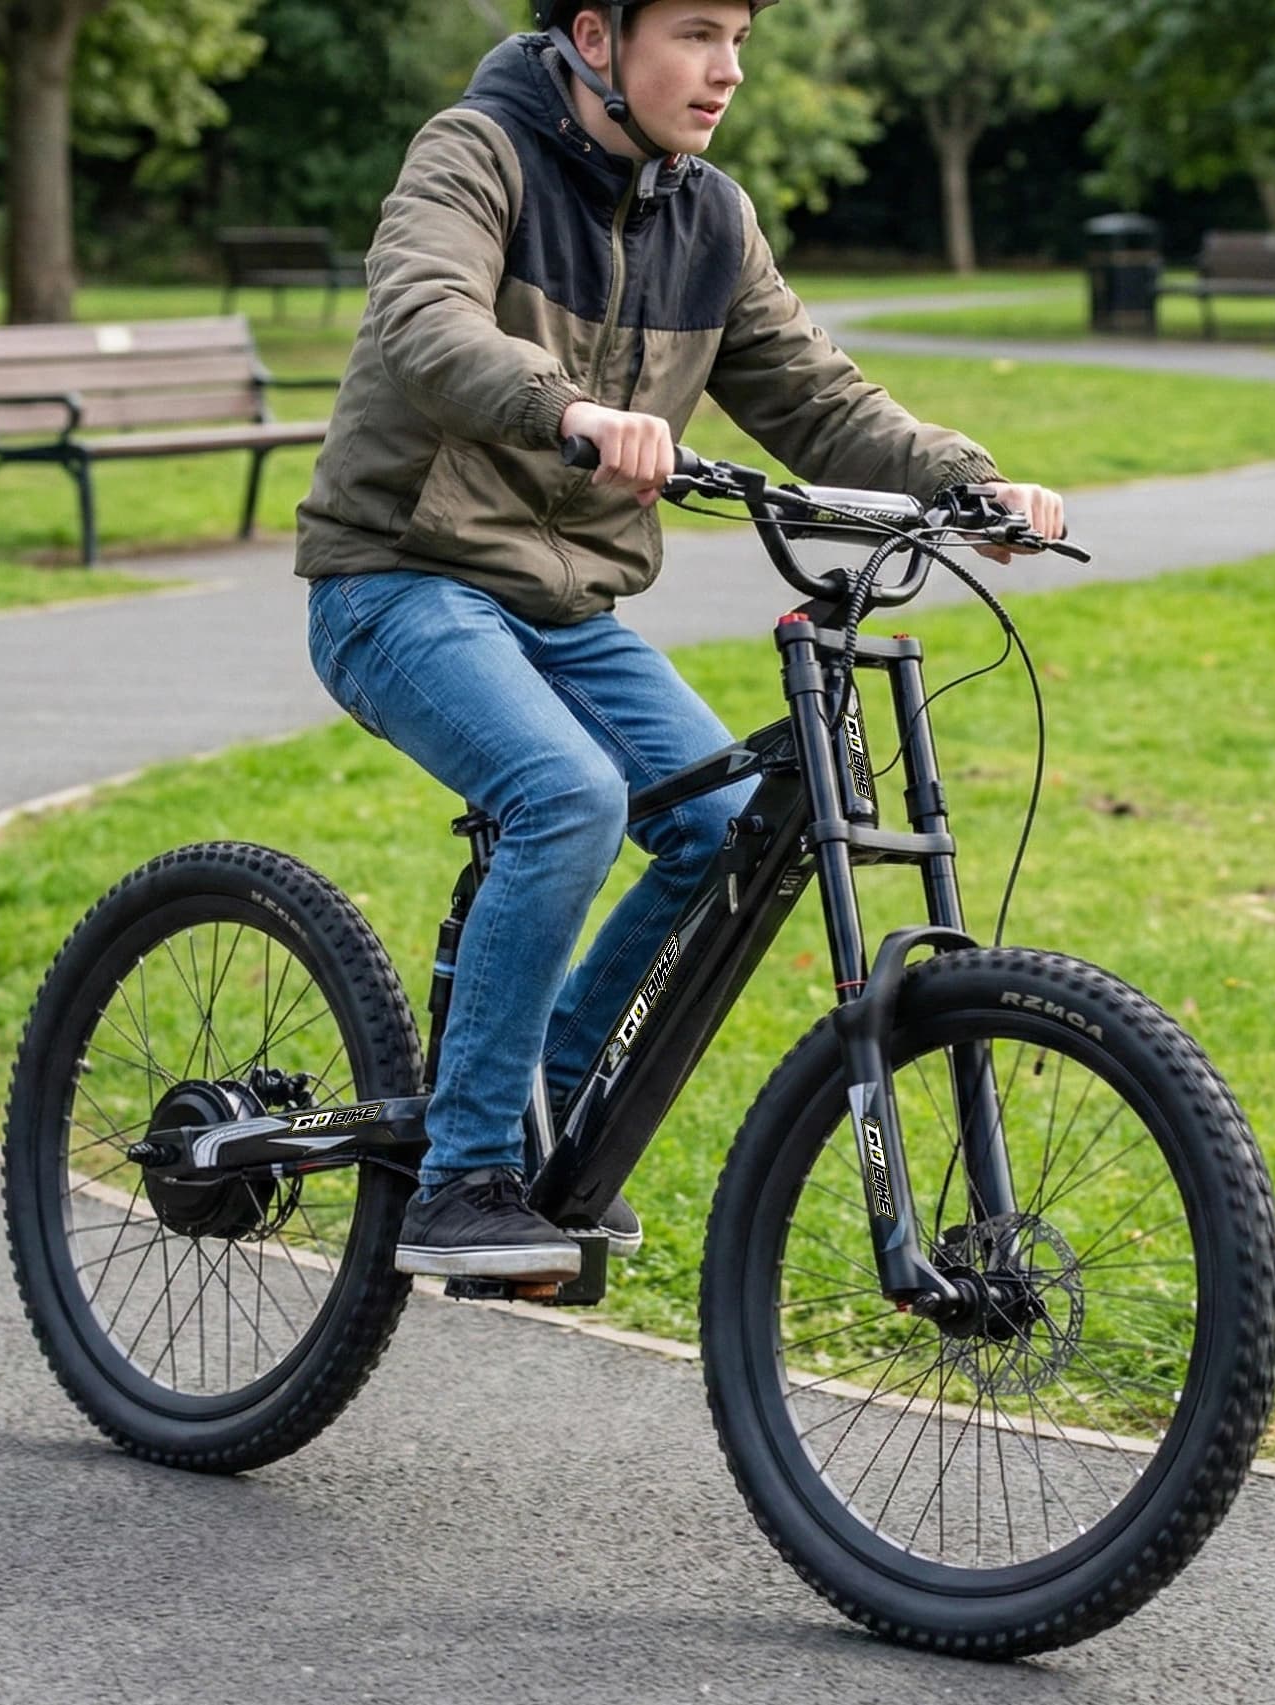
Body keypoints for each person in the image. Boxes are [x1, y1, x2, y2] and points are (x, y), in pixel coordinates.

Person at [295, 0, 1067, 1282]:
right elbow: (426, 324)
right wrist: (570, 411)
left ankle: (541, 1096)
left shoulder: (708, 217)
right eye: (696, 34)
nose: (727, 71)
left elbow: (816, 399)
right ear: (596, 37)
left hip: (565, 608)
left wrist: (964, 484)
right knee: (564, 795)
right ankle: (463, 1177)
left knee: (725, 830)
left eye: (739, 40)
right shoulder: (473, 152)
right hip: (397, 579)